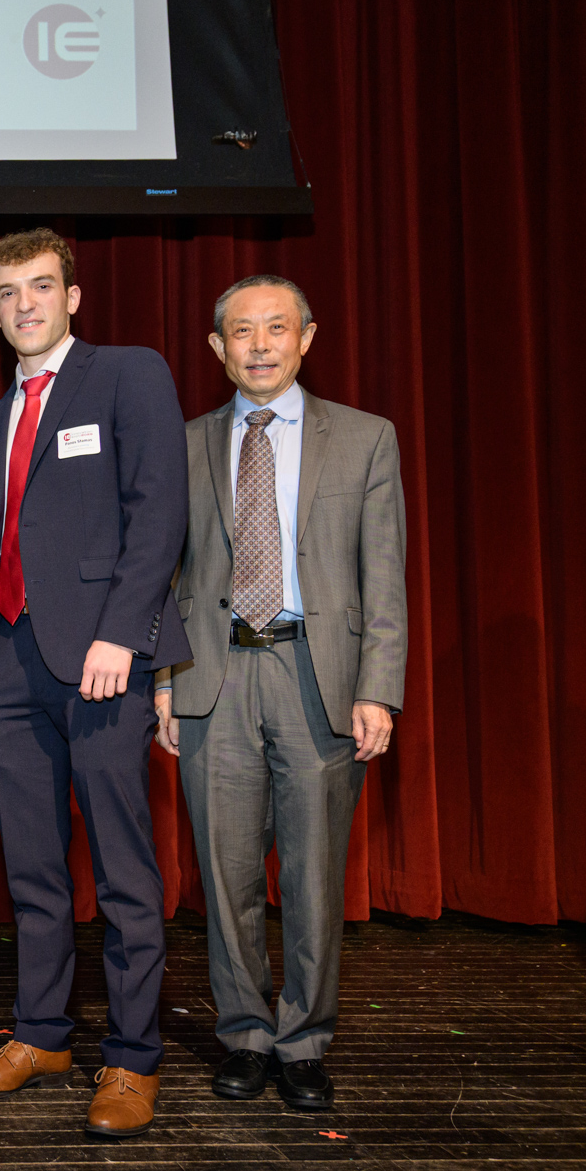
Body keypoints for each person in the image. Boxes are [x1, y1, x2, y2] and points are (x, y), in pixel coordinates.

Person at [0, 228, 189, 1136]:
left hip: (99, 663)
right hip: (7, 670)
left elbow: (159, 512)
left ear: (73, 297)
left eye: (41, 287)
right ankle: (44, 1033)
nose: (25, 304)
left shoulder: (128, 374)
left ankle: (132, 1060)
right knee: (34, 869)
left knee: (126, 871)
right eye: (8, 292)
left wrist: (123, 639)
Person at [155, 275, 405, 1111]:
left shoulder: (366, 440)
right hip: (213, 678)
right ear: (216, 349)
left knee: (312, 874)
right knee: (224, 878)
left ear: (308, 337)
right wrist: (163, 677)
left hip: (317, 678)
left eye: (277, 329)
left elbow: (386, 578)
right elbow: (166, 574)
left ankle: (303, 1039)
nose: (259, 345)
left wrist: (380, 689)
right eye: (241, 332)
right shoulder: (185, 444)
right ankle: (245, 1035)